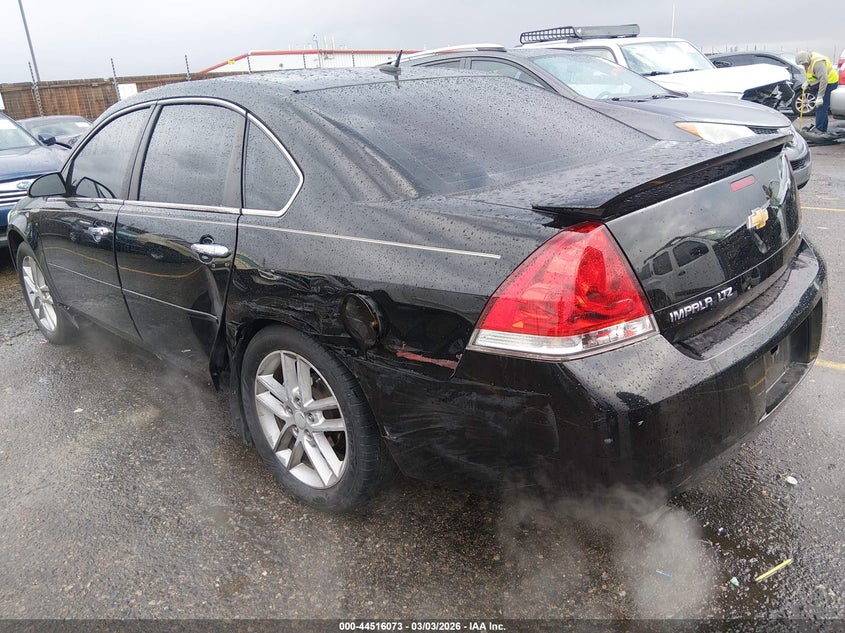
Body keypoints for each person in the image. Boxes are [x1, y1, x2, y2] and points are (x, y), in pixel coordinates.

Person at [796, 50, 838, 133]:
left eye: (804, 63)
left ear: (807, 59)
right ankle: (822, 129)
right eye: (802, 64)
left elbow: (824, 80)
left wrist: (820, 97)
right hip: (819, 83)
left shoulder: (818, 63)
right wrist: (807, 82)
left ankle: (819, 130)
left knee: (820, 107)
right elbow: (812, 74)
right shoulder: (808, 62)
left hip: (829, 83)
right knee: (821, 108)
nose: (804, 65)